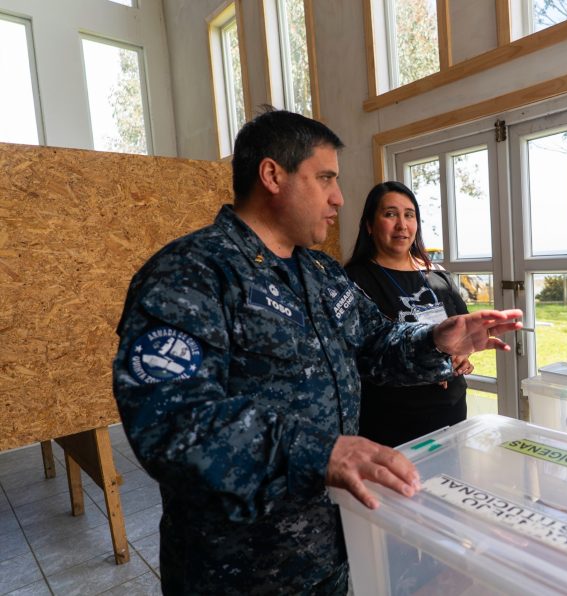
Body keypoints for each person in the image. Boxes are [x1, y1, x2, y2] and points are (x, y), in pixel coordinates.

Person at [111, 109, 522, 595]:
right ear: (272, 175)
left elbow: (375, 344)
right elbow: (170, 423)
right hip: (238, 568)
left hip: (328, 550)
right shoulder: (191, 275)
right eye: (325, 178)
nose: (339, 197)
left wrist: (436, 340)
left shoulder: (322, 276)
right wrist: (319, 451)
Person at [344, 181, 472, 447]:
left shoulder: (437, 275)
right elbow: (363, 355)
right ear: (369, 225)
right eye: (390, 214)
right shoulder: (353, 280)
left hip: (450, 410)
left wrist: (462, 354)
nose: (402, 224)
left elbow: (464, 328)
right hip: (393, 421)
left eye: (409, 215)